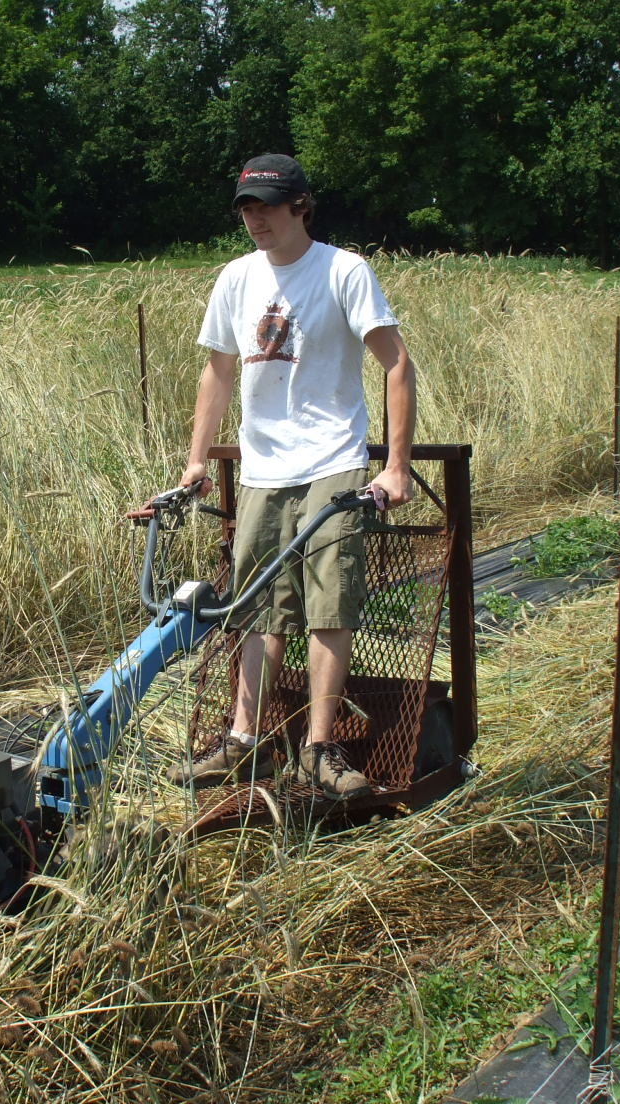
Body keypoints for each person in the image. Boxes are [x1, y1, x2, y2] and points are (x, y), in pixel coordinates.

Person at [171, 153, 417, 801]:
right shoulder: (235, 278)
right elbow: (219, 373)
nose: (256, 218)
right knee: (254, 602)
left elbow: (396, 364)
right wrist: (198, 460)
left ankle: (317, 748)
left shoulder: (343, 271)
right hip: (262, 465)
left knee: (327, 599)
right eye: (247, 207)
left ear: (301, 206)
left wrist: (394, 466)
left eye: (269, 206)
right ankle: (245, 741)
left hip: (332, 459)